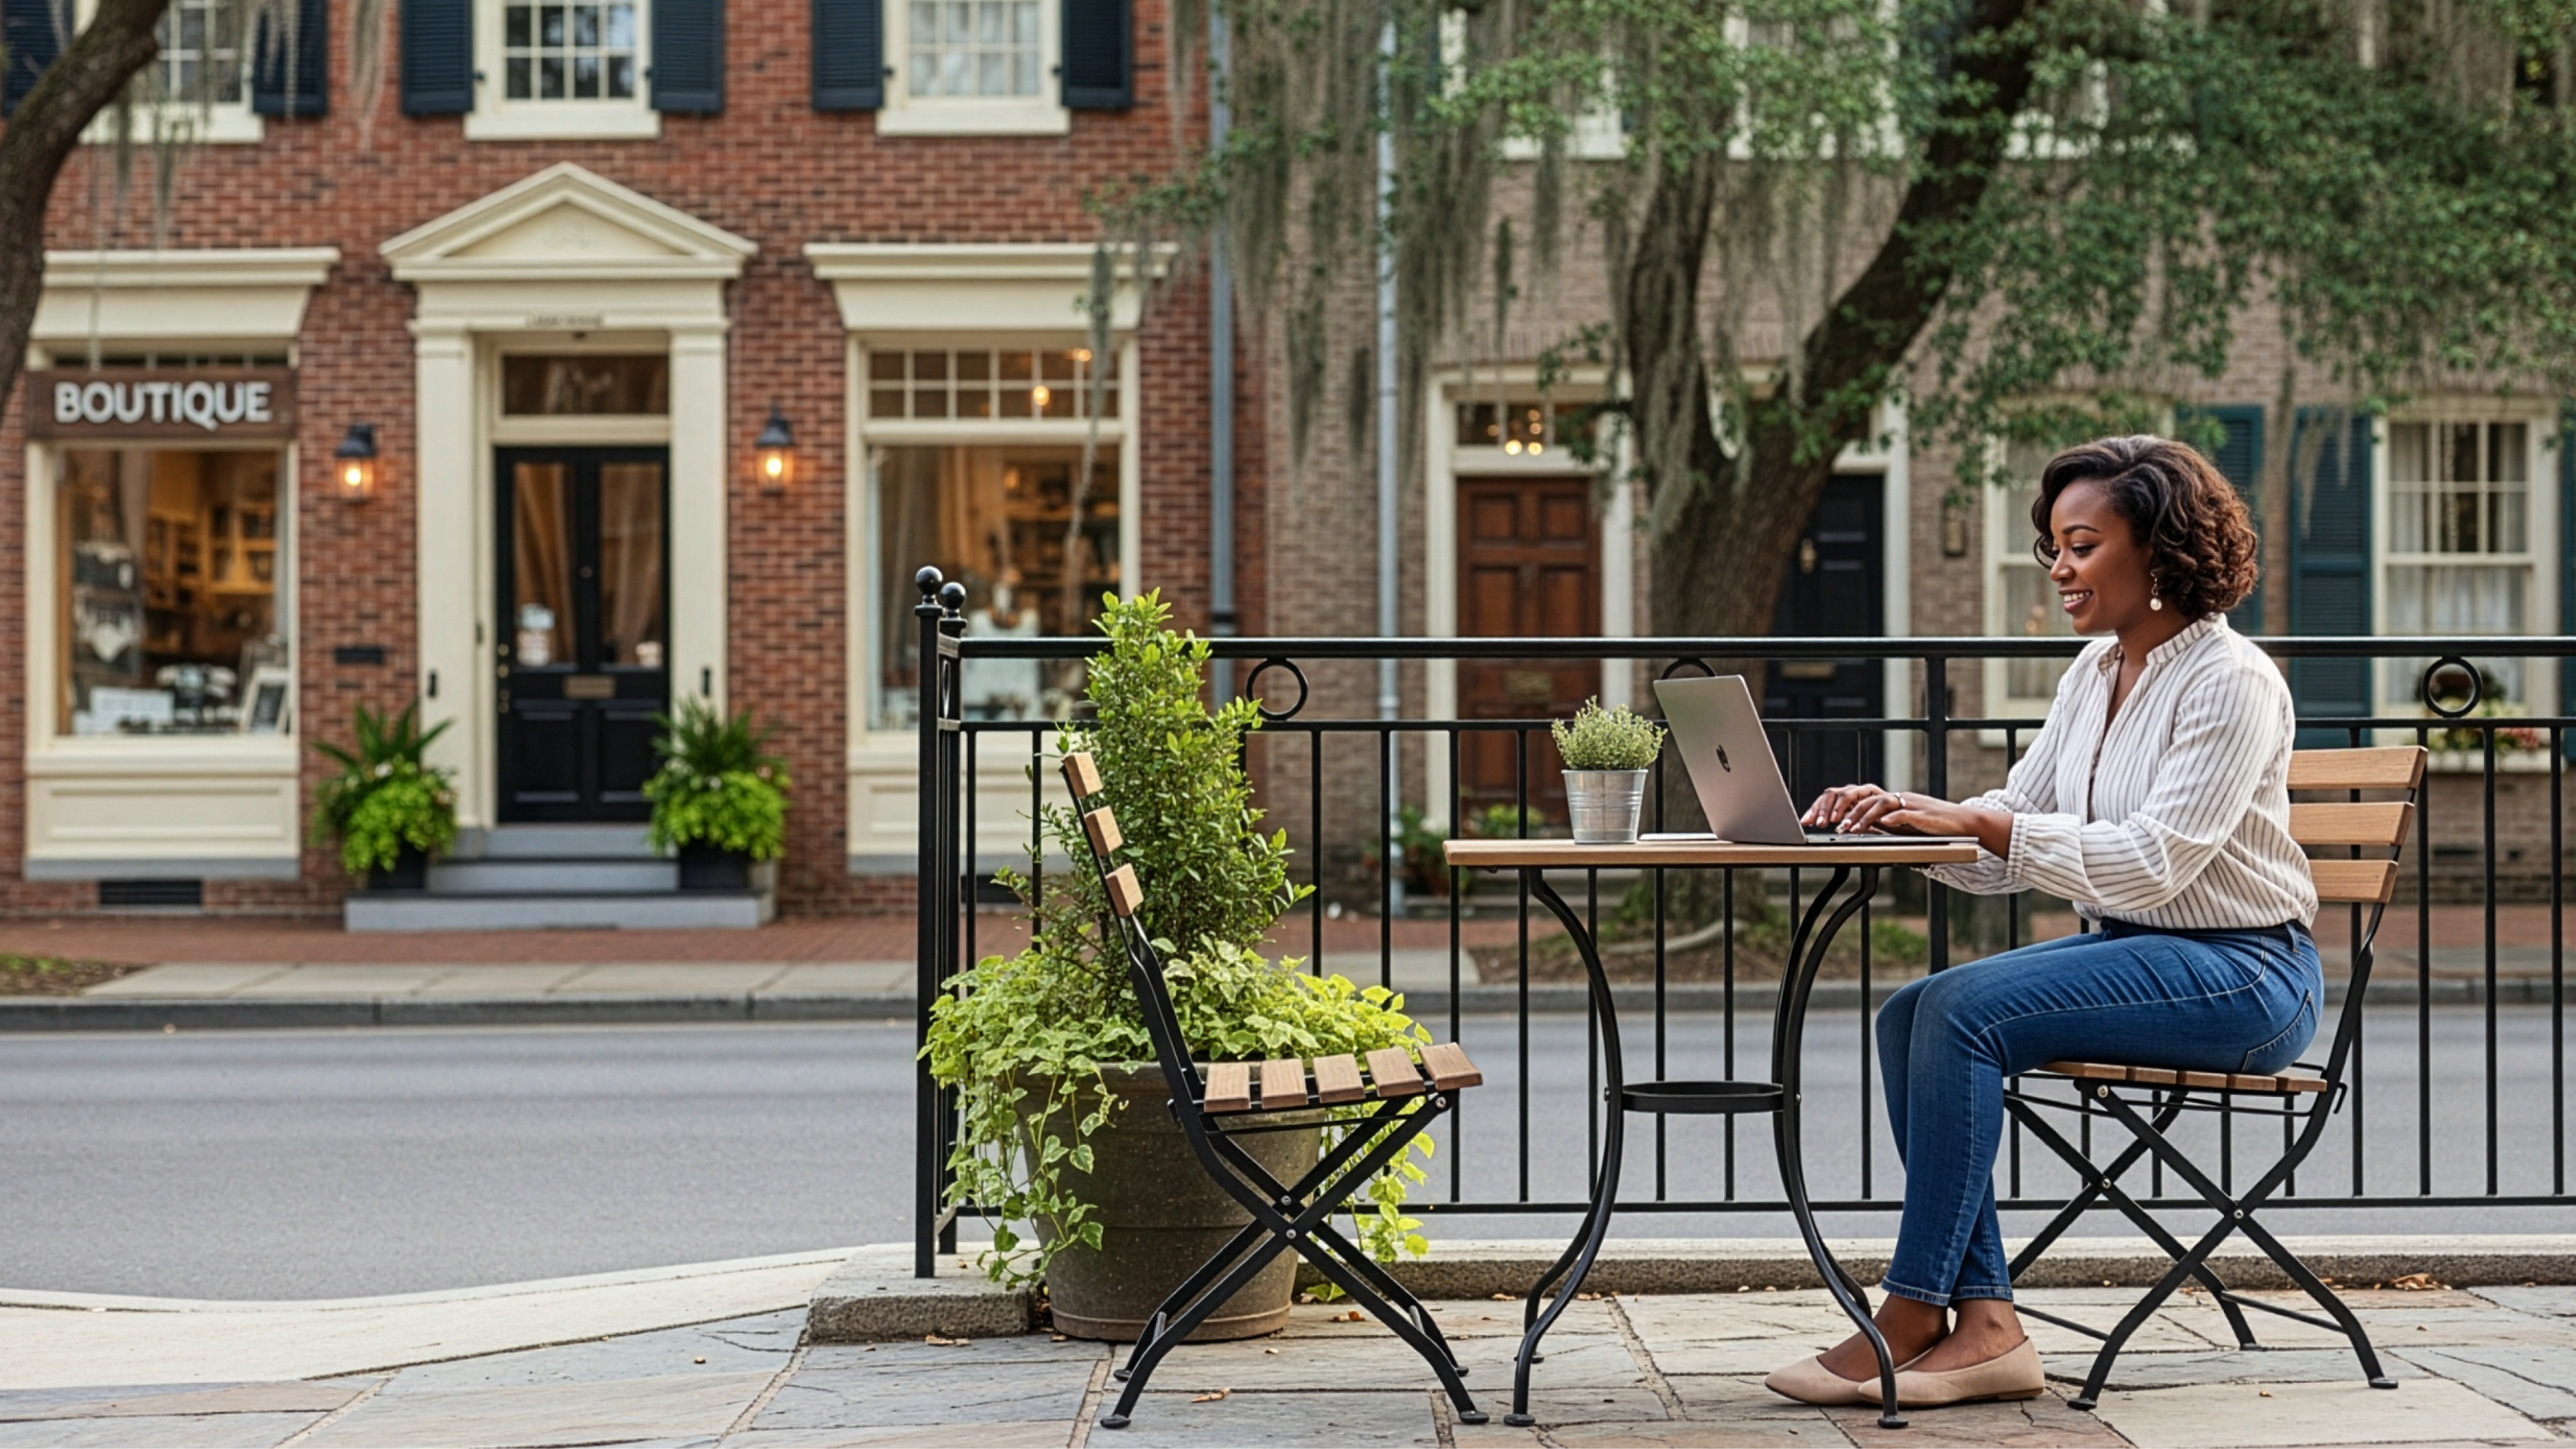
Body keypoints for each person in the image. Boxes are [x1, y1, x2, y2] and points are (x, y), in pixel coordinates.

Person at [1765, 436, 2321, 1409]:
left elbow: (2155, 861)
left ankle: (1914, 1306)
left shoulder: (2231, 679)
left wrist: (1984, 821)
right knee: (1911, 1011)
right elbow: (2006, 840)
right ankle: (1984, 1323)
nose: (2058, 567)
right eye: (2052, 546)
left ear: (2159, 549)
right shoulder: (2090, 675)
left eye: (2080, 544)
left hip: (2246, 974)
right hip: (2136, 951)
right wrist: (1904, 820)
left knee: (1958, 1012)